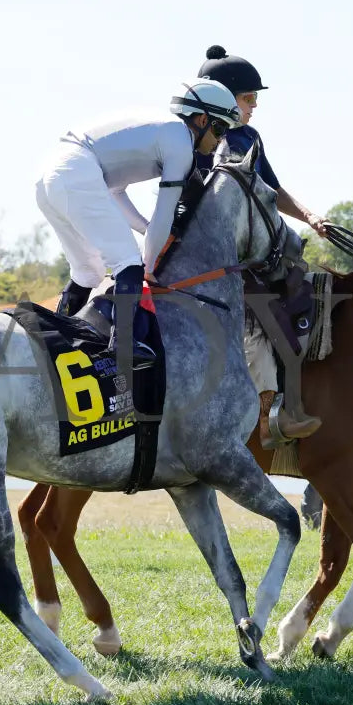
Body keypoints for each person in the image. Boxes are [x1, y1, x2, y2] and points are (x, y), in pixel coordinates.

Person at [36, 78, 242, 363]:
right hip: (75, 170)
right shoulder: (181, 141)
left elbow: (116, 192)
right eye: (219, 128)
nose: (220, 139)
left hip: (50, 174)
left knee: (89, 271)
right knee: (129, 263)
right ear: (202, 119)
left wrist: (146, 231)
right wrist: (149, 263)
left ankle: (54, 341)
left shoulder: (162, 130)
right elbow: (164, 213)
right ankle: (123, 344)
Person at [195, 44, 324, 446]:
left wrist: (310, 217)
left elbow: (272, 190)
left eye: (254, 98)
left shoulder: (249, 137)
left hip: (257, 252)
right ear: (223, 98)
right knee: (252, 319)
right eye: (248, 98)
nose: (254, 106)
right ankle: (268, 419)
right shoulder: (193, 139)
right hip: (214, 263)